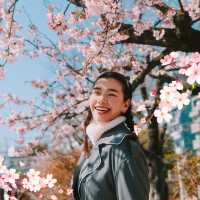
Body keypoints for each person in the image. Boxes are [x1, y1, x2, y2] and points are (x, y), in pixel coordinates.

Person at [72, 71, 150, 200]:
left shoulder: (122, 149)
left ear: (125, 105)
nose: (101, 99)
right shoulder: (96, 147)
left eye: (112, 94)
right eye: (97, 92)